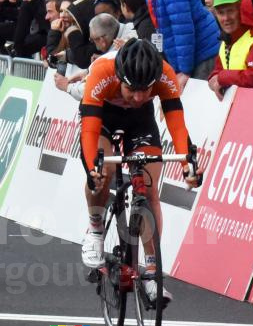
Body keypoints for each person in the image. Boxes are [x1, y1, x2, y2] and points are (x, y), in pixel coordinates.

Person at [79, 38, 201, 302]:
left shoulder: (164, 75)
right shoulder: (102, 72)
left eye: (145, 90)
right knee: (103, 175)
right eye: (131, 89)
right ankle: (95, 227)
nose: (137, 97)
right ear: (119, 77)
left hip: (140, 121)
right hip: (104, 117)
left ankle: (151, 272)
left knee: (148, 188)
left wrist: (187, 164)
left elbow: (177, 124)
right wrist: (92, 169)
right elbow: (89, 130)